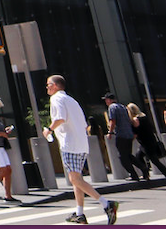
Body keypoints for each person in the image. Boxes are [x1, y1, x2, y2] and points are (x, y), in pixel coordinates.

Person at [43, 75, 118, 225]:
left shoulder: (56, 99)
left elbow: (60, 118)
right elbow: (84, 125)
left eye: (48, 84)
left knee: (75, 179)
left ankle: (106, 204)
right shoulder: (72, 100)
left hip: (69, 143)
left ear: (55, 85)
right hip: (81, 144)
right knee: (77, 179)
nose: (47, 87)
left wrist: (49, 130)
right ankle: (79, 213)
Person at [126, 103, 166, 188]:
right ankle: (146, 175)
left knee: (155, 161)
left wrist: (128, 141)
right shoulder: (144, 117)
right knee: (139, 156)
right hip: (150, 141)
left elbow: (136, 133)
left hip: (146, 143)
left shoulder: (136, 120)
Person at [103, 93, 144, 183]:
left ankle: (133, 174)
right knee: (128, 154)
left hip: (121, 134)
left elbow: (112, 120)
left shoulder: (112, 107)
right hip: (128, 134)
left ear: (109, 100)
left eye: (106, 100)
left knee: (122, 157)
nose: (106, 102)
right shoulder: (122, 107)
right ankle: (143, 168)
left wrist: (110, 132)